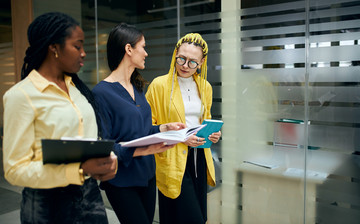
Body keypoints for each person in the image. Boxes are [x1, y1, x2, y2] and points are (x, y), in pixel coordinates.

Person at [2, 12, 118, 224]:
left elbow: (90, 140)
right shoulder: (21, 96)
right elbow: (14, 170)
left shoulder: (78, 90)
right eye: (77, 46)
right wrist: (80, 169)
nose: (83, 53)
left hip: (89, 196)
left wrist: (107, 161)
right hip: (47, 204)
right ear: (54, 47)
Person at [92, 23, 186, 224]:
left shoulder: (139, 88)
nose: (146, 53)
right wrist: (140, 151)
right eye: (142, 47)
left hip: (147, 176)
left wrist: (163, 128)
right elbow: (104, 147)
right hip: (121, 181)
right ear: (128, 49)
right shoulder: (100, 93)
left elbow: (142, 131)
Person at [145, 33, 222, 224]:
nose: (185, 66)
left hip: (199, 157)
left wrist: (213, 133)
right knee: (186, 217)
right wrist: (181, 137)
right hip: (172, 159)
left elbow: (206, 118)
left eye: (192, 62)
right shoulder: (159, 85)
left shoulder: (205, 87)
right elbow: (148, 127)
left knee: (197, 215)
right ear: (175, 55)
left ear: (202, 62)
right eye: (181, 58)